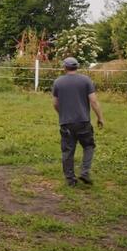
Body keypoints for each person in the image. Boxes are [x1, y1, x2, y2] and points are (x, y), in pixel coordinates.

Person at [52, 57, 105, 186]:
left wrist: (62, 114)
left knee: (68, 151)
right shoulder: (86, 80)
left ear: (64, 67)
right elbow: (93, 101)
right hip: (83, 122)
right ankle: (85, 172)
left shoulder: (58, 82)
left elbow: (55, 103)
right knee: (88, 146)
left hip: (66, 123)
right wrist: (100, 118)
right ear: (77, 67)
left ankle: (70, 180)